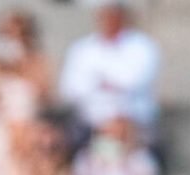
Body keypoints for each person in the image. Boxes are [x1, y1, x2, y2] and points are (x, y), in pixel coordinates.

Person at [59, 1, 160, 145]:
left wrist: (101, 82)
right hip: (92, 123)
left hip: (134, 123)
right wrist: (106, 83)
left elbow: (135, 81)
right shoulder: (82, 49)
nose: (109, 21)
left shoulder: (142, 46)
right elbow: (70, 88)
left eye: (113, 16)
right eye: (105, 16)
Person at [0, 8, 52, 175]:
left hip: (30, 124)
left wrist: (23, 67)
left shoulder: (37, 61)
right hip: (3, 124)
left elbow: (45, 95)